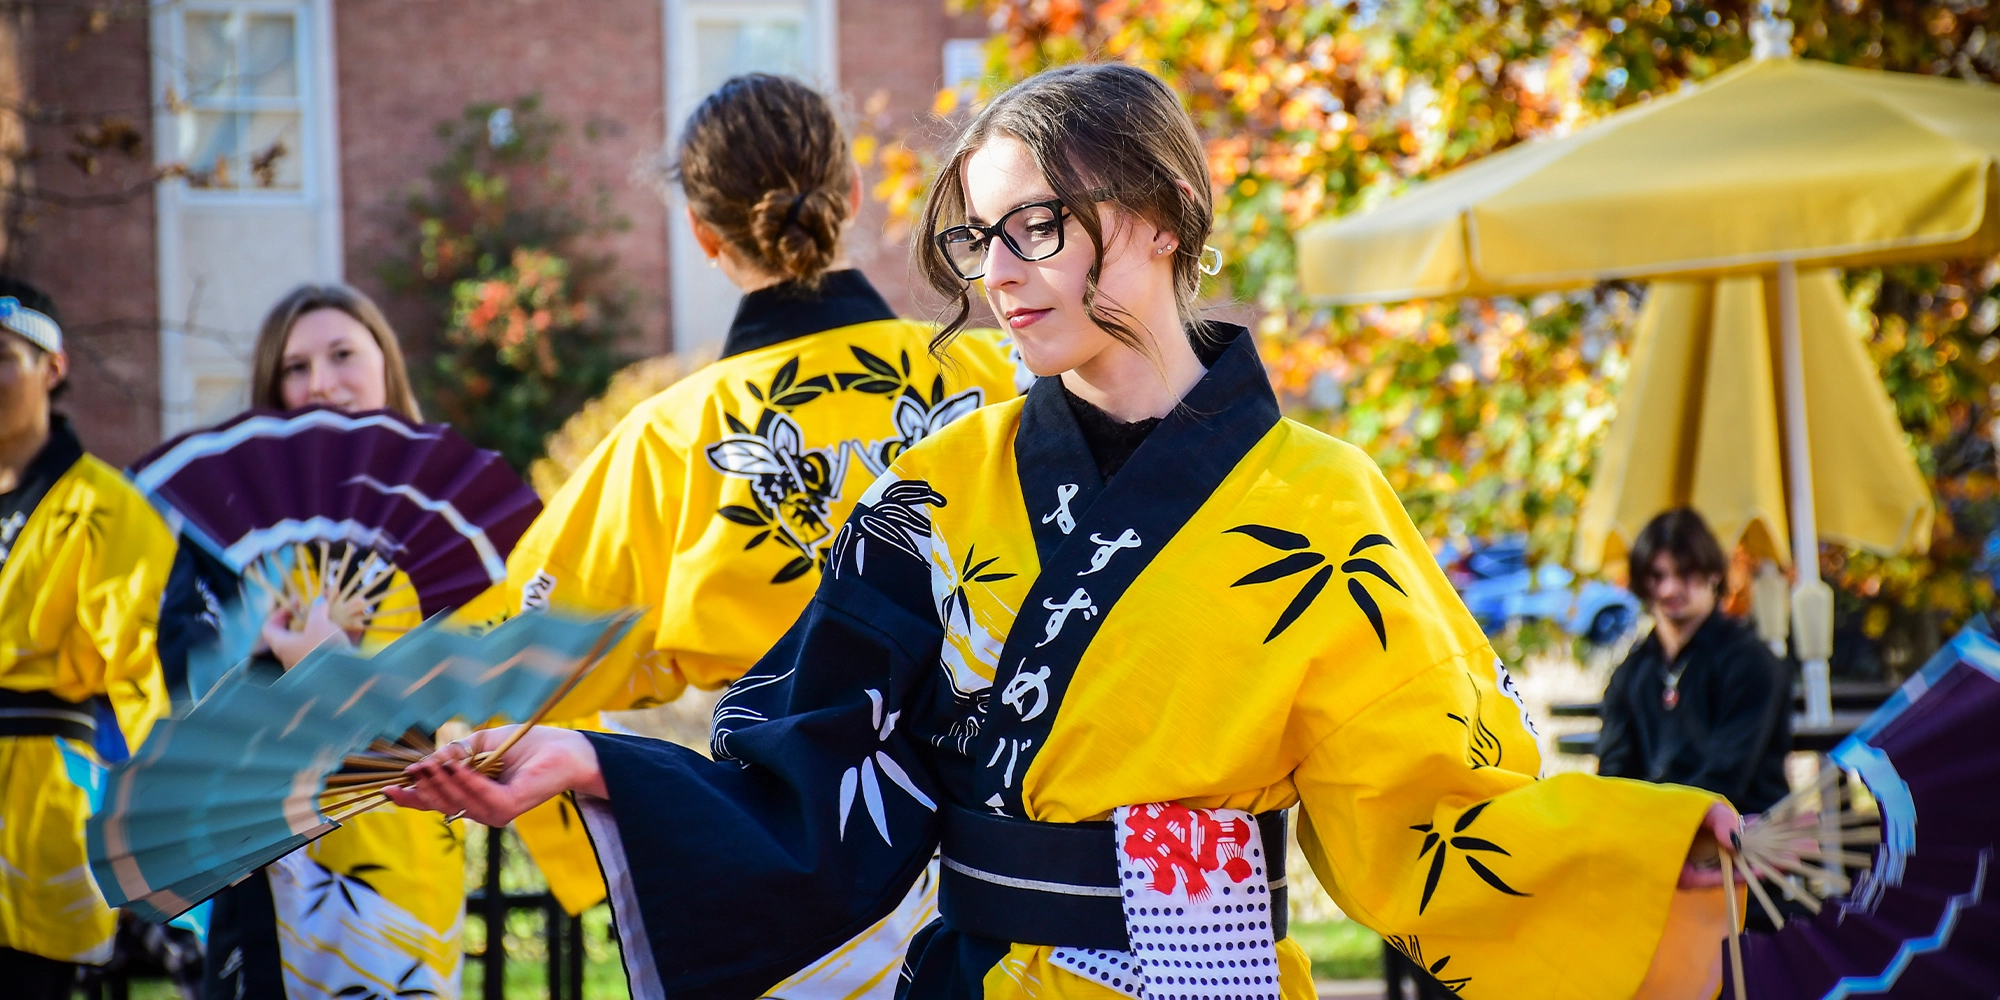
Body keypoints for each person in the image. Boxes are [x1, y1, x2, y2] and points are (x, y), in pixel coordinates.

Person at [390, 64, 1741, 1000]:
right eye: (980, 239)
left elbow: (1435, 803)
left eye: (1036, 227)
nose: (999, 274)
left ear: (1156, 217)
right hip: (980, 968)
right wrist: (591, 759)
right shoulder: (944, 476)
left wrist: (1649, 853)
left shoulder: (1320, 502)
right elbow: (817, 752)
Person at [449, 72, 1021, 1000]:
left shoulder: (669, 439)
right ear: (855, 195)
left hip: (793, 871)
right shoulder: (1000, 377)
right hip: (1007, 862)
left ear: (702, 234)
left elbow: (508, 669)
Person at [158, 284, 464, 1000]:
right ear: (273, 389)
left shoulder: (441, 528)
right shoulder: (226, 534)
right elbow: (188, 689)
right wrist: (274, 662)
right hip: (272, 871)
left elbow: (467, 701)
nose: (322, 382)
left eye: (342, 355)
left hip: (408, 864)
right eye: (295, 367)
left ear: (385, 366)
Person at [0, 279, 176, 998]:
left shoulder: (111, 513)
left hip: (46, 825)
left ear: (54, 367)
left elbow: (150, 685)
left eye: (3, 356)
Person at [1597, 508, 1793, 815]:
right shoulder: (1632, 672)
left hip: (1744, 841)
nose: (1670, 589)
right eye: (1657, 576)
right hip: (1656, 839)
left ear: (1713, 574)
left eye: (1685, 573)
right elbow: (1613, 774)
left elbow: (1727, 777)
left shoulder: (1751, 663)